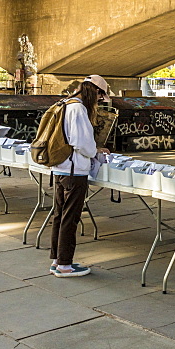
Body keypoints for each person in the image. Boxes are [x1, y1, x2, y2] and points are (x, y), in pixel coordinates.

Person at [50, 75, 110, 278]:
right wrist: (96, 152)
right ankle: (65, 265)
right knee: (70, 217)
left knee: (59, 215)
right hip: (74, 171)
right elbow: (82, 143)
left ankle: (57, 260)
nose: (100, 102)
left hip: (60, 167)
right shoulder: (78, 109)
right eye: (101, 97)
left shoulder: (65, 103)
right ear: (96, 92)